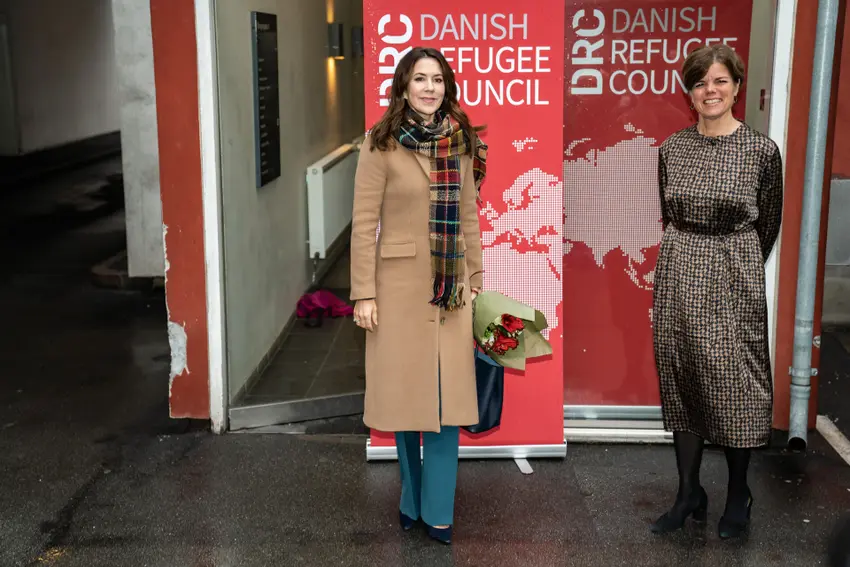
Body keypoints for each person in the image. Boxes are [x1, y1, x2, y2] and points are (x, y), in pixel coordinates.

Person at [349, 46, 487, 545]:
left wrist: (474, 276)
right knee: (404, 401)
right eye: (420, 79)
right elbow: (364, 222)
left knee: (448, 406)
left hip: (450, 288)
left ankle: (439, 511)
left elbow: (468, 213)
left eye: (438, 79)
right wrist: (364, 294)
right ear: (404, 87)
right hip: (398, 287)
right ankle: (411, 499)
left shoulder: (462, 141)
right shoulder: (380, 142)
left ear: (446, 87)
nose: (430, 88)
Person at [651, 44, 783, 539]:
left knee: (736, 381)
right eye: (700, 82)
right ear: (689, 92)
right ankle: (688, 491)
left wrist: (735, 261)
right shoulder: (672, 148)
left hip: (734, 273)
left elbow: (767, 223)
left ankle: (738, 492)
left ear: (737, 87)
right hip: (680, 268)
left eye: (720, 81)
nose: (710, 90)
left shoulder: (761, 151)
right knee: (682, 372)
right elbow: (669, 209)